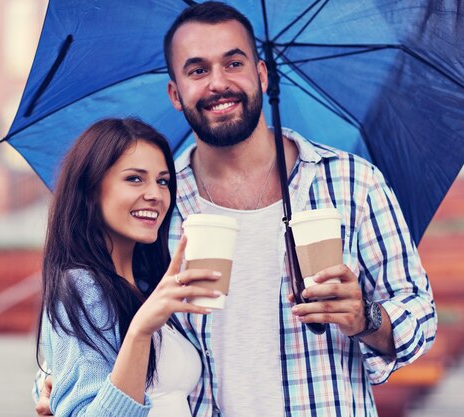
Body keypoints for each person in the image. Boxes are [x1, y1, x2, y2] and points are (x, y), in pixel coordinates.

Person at [36, 2, 437, 416]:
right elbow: (102, 313)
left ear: (262, 75)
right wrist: (53, 382)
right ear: (175, 93)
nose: (218, 83)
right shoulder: (157, 207)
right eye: (197, 70)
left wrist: (365, 317)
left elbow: (419, 313)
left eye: (233, 63)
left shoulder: (353, 183)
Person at [36, 117, 222, 417]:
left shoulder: (147, 284)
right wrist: (140, 330)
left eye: (162, 181)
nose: (155, 194)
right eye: (135, 178)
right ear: (91, 189)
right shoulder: (81, 286)